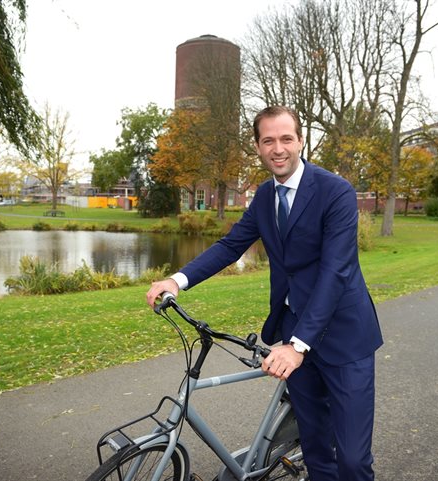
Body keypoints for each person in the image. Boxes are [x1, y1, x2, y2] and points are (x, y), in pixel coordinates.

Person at [146, 105, 383, 481]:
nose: (278, 148)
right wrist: (178, 279)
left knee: (352, 460)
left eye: (286, 139)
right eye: (268, 140)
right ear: (257, 147)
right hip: (293, 328)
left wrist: (298, 345)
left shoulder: (335, 192)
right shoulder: (263, 198)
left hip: (343, 335)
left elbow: (335, 272)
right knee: (318, 450)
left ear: (301, 141)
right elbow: (230, 246)